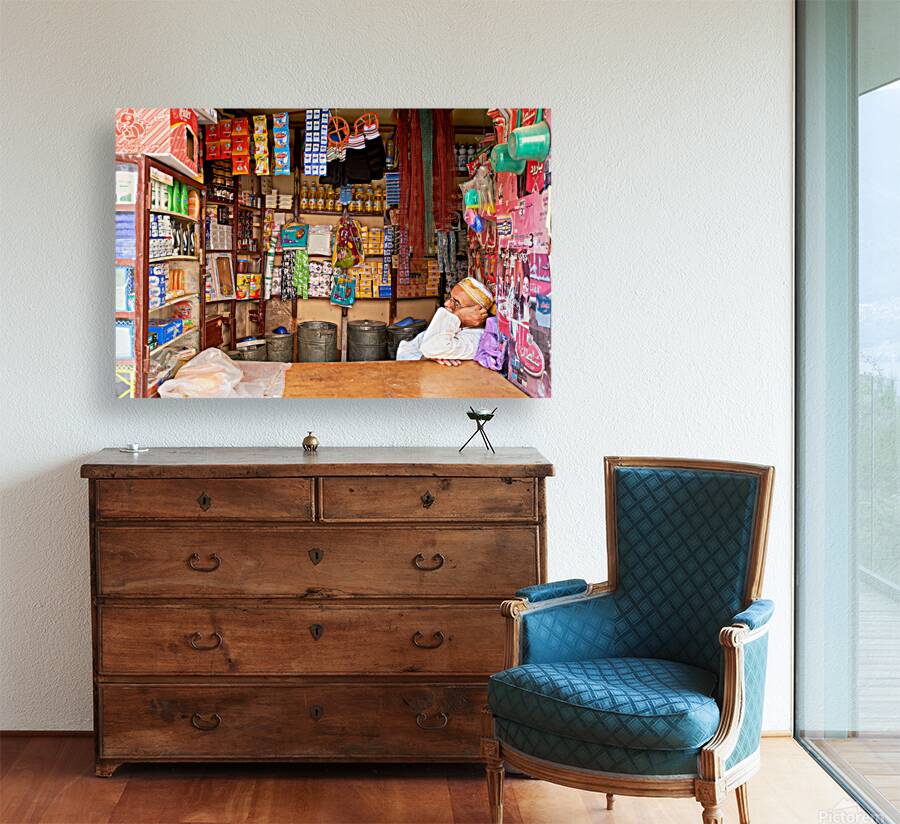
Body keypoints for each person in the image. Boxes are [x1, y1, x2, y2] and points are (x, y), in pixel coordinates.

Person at [397, 277, 494, 366]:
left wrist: (459, 316)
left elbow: (430, 348)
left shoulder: (476, 339)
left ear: (477, 312)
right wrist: (425, 357)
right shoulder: (454, 325)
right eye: (450, 297)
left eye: (456, 302)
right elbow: (405, 350)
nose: (446, 303)